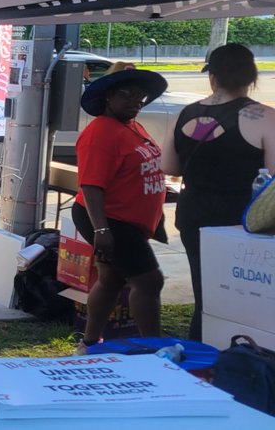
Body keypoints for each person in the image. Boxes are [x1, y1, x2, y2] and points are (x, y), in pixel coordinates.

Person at [162, 44, 275, 341]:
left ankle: (202, 351)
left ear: (212, 77)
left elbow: (168, 166)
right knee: (249, 295)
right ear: (252, 77)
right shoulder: (265, 117)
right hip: (245, 220)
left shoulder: (183, 114)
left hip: (193, 212)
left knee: (205, 294)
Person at [73, 63, 169, 353]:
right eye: (127, 95)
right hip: (110, 219)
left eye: (140, 97)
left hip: (125, 219)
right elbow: (91, 185)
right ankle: (155, 349)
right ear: (108, 96)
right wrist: (102, 230)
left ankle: (89, 343)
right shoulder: (101, 132)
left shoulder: (130, 124)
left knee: (112, 279)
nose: (135, 102)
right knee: (150, 281)